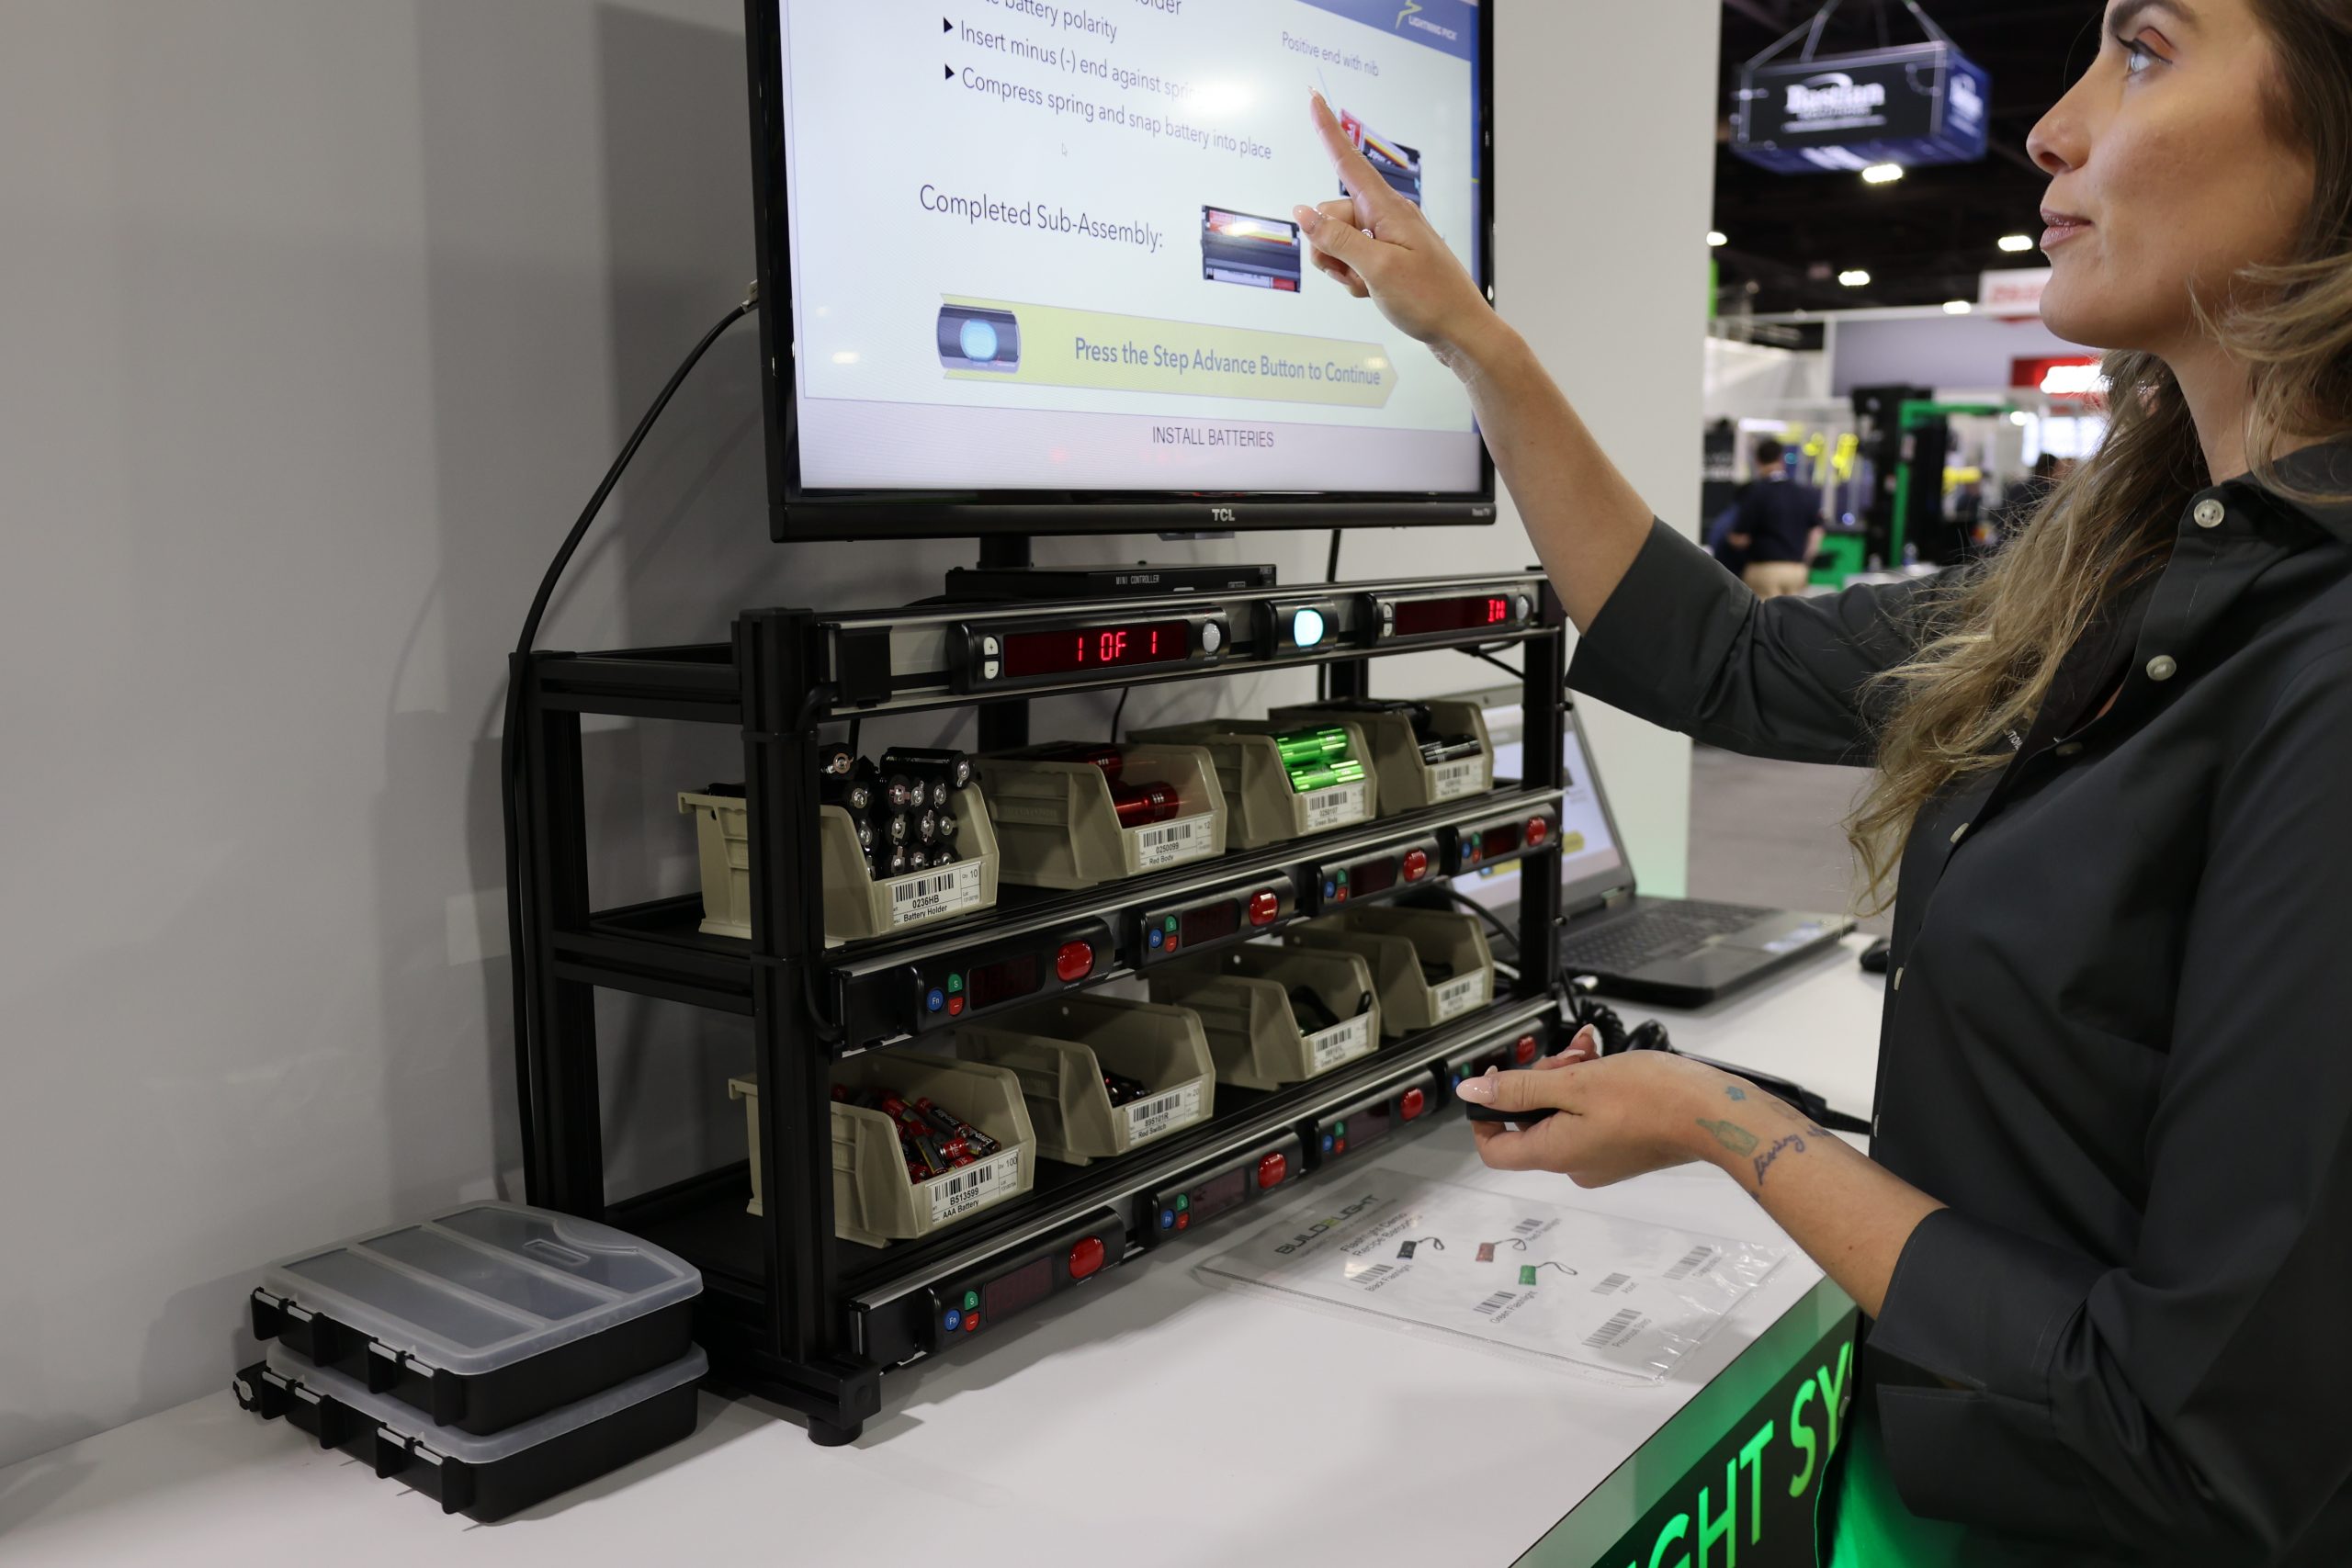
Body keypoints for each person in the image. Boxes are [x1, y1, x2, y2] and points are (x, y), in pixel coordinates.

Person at [1291, 0, 2352, 1559]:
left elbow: (2188, 1427)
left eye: (2144, 49)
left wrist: (1726, 1118)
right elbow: (1716, 657)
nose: (2050, 130)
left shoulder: (2320, 662)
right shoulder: (2124, 568)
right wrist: (1472, 334)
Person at [1724, 435, 1825, 595]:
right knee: (1795, 617)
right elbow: (1816, 534)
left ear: (1757, 461)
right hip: (1796, 571)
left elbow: (1740, 538)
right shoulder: (1805, 493)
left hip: (1764, 570)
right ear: (1781, 459)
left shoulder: (1754, 493)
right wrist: (1804, 563)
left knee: (1764, 617)